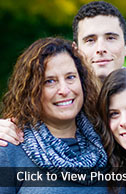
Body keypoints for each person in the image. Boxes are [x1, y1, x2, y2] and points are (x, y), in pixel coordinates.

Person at [0, 1, 126, 156]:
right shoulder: (65, 100)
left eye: (110, 37)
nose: (101, 48)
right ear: (76, 50)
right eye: (90, 40)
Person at [0, 37, 109, 193]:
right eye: (49, 81)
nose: (64, 90)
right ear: (32, 90)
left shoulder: (108, 142)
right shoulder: (9, 150)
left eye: (70, 77)